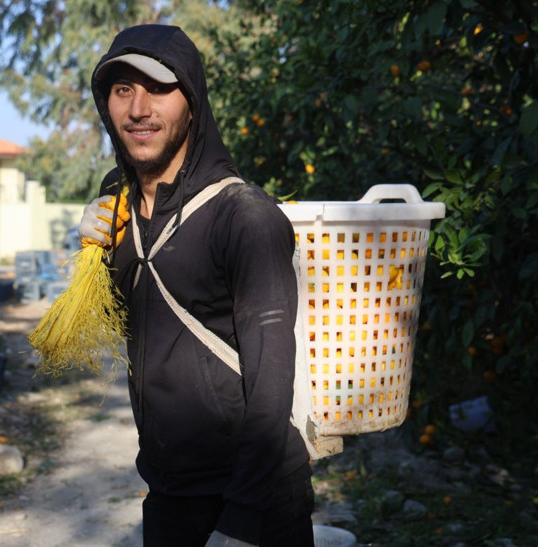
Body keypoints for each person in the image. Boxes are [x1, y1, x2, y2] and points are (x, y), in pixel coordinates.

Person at [79, 24, 314, 547]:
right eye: (122, 90)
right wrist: (92, 246)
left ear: (192, 102)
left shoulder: (245, 217)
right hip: (167, 492)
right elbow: (128, 317)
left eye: (159, 88)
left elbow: (272, 381)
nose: (138, 108)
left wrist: (243, 522)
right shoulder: (115, 201)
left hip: (254, 500)